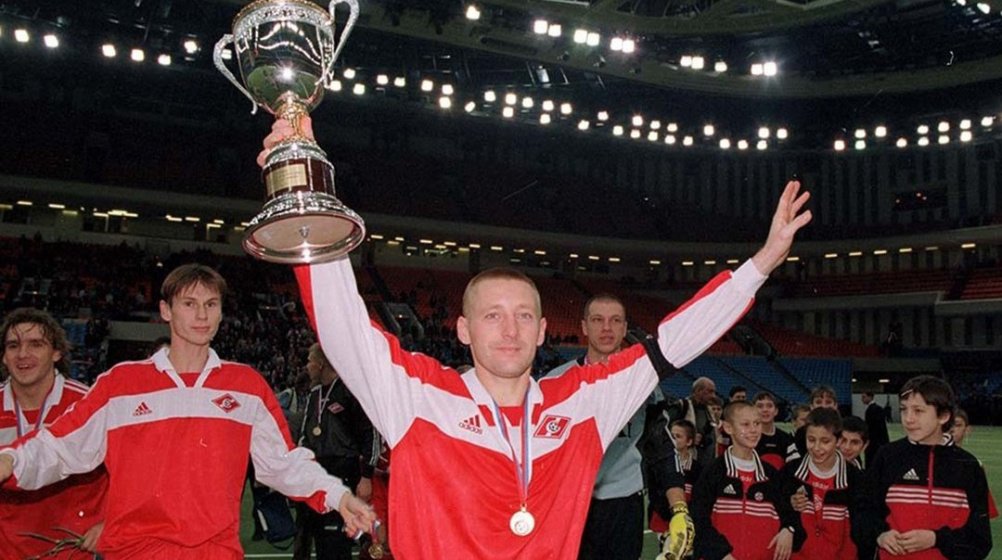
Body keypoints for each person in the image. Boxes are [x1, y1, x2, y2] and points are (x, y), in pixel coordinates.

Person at [281, 112, 812, 560]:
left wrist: (760, 265)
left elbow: (672, 343)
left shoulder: (583, 401)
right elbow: (343, 325)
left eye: (523, 316)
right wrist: (304, 184)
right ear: (463, 329)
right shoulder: (418, 396)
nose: (509, 329)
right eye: (492, 316)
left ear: (542, 331)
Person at [0, 264, 375, 559]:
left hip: (216, 553)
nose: (202, 315)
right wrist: (11, 460)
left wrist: (337, 495)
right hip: (134, 553)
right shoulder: (121, 384)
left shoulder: (245, 386)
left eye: (211, 305)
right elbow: (59, 446)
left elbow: (283, 464)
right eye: (189, 304)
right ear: (166, 310)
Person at [546, 293, 688, 560]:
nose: (607, 328)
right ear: (584, 327)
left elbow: (661, 448)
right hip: (571, 504)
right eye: (597, 320)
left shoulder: (644, 384)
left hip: (625, 505)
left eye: (615, 321)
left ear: (625, 328)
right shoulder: (556, 382)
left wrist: (679, 509)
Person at [0, 308, 108, 560]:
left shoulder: (87, 404)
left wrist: (111, 521)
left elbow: (131, 472)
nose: (23, 354)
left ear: (57, 352)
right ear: (4, 357)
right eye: (13, 346)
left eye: (36, 344)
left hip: (72, 549)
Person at [861, 375, 992, 559]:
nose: (908, 419)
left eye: (918, 411)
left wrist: (936, 539)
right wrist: (880, 535)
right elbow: (864, 513)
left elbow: (980, 541)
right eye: (904, 409)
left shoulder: (969, 467)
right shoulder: (887, 456)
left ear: (943, 416)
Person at [691, 401, 802, 560]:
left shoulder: (771, 475)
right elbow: (698, 520)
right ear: (728, 428)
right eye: (745, 424)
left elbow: (790, 514)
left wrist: (789, 530)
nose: (753, 430)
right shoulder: (713, 472)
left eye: (757, 423)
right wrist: (721, 554)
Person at [298, 343, 377, 560]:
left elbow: (370, 434)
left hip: (345, 471)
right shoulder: (314, 395)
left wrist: (366, 476)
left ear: (321, 364)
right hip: (316, 472)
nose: (307, 367)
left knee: (336, 539)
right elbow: (305, 435)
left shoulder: (350, 393)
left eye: (310, 361)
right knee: (313, 536)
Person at [782, 408, 863, 560]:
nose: (817, 447)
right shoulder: (790, 472)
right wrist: (788, 503)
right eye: (811, 440)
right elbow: (777, 511)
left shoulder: (855, 478)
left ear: (838, 441)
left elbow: (859, 530)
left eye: (825, 441)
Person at [670, 377, 720, 469]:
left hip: (706, 461)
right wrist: (689, 437)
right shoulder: (682, 406)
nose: (713, 396)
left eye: (714, 392)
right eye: (710, 391)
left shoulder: (709, 410)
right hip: (685, 461)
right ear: (698, 391)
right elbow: (667, 429)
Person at [753, 391, 798, 470]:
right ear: (752, 410)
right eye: (760, 406)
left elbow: (793, 468)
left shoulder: (787, 439)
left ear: (776, 411)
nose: (765, 410)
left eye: (769, 406)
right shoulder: (747, 438)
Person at [861, 391, 889, 467]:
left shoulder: (871, 410)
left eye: (864, 397)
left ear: (870, 397)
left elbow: (870, 428)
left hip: (874, 442)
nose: (862, 399)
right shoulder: (878, 408)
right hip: (880, 441)